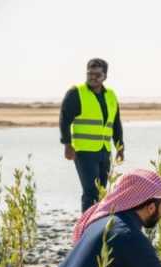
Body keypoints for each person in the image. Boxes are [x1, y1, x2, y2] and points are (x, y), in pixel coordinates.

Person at [60, 58, 126, 212]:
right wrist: (67, 144)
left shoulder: (111, 95)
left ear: (105, 76)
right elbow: (64, 119)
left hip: (104, 151)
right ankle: (86, 229)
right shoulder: (76, 93)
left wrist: (120, 147)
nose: (92, 77)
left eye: (97, 74)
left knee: (103, 192)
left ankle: (98, 224)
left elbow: (115, 123)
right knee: (90, 192)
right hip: (84, 152)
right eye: (90, 74)